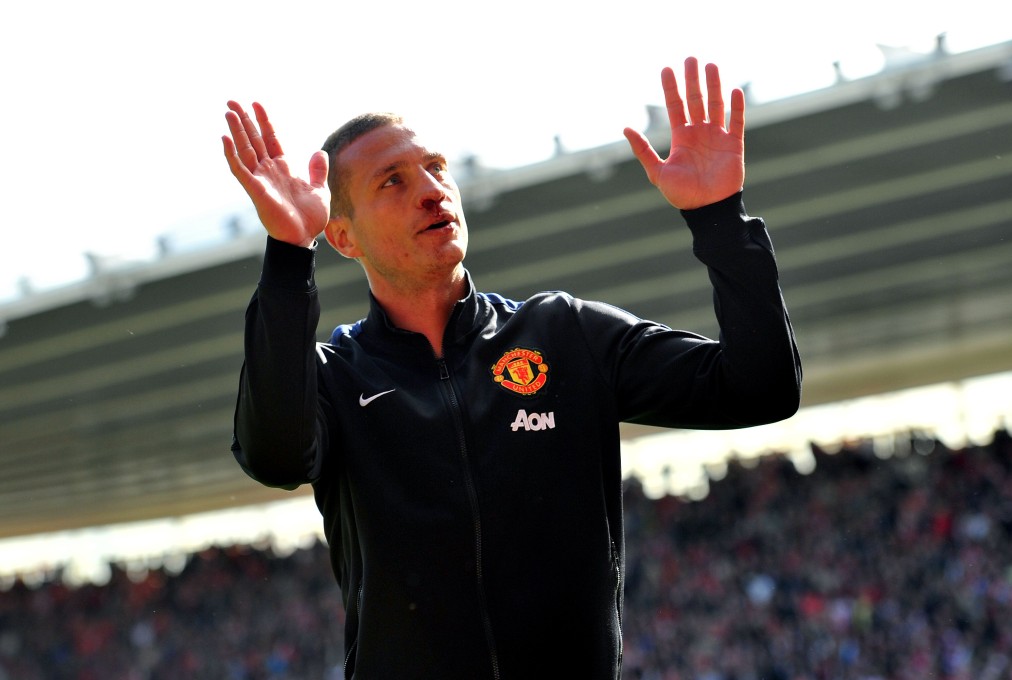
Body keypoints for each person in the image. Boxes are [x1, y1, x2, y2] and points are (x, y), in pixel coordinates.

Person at [221, 56, 801, 679]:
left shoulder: (563, 333)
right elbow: (274, 457)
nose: (430, 189)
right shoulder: (335, 377)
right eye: (391, 181)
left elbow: (759, 388)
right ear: (342, 237)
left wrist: (718, 218)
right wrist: (287, 258)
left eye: (436, 168)